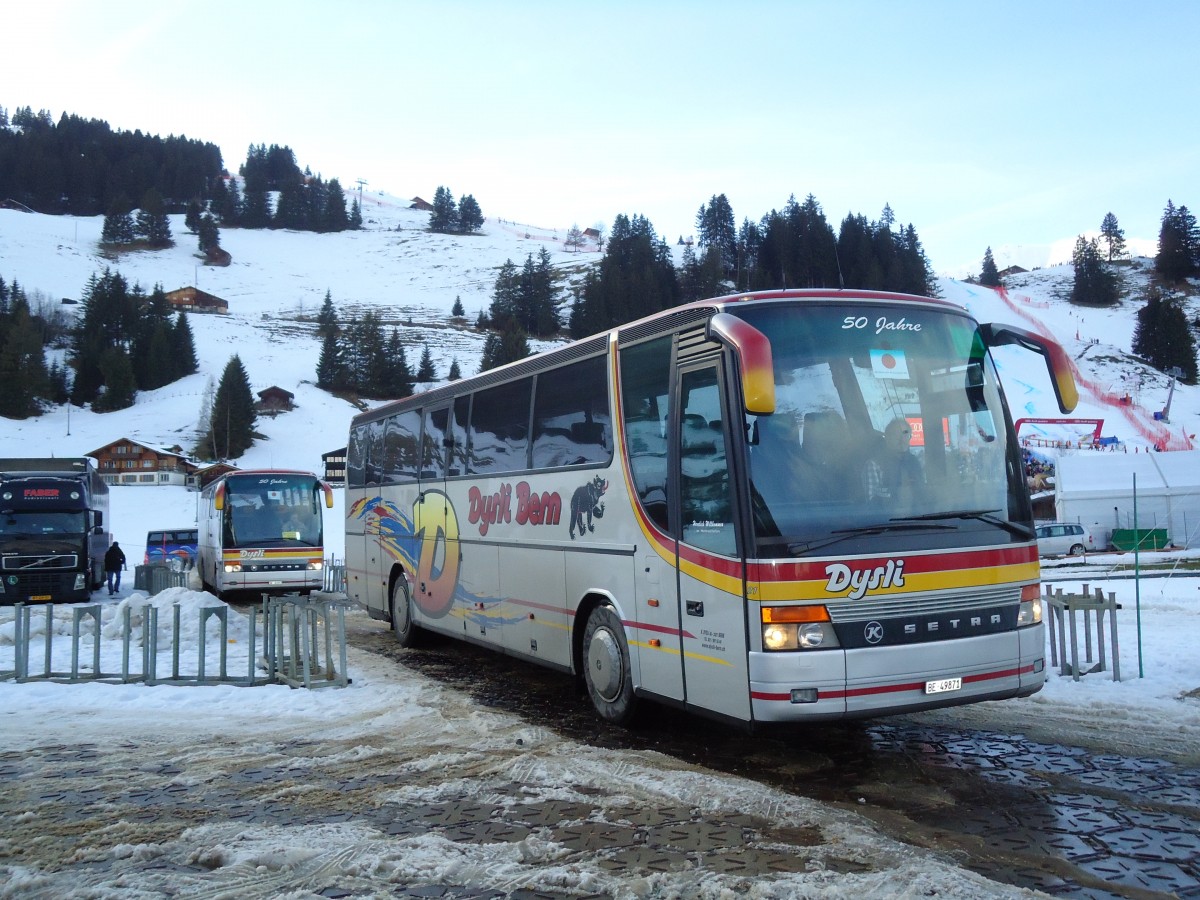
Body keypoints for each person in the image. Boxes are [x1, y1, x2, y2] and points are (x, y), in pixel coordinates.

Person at [863, 418, 922, 510]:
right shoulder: (874, 465)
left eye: (905, 434)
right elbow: (871, 505)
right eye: (896, 435)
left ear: (910, 437)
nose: (902, 439)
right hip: (886, 521)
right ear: (887, 438)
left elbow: (922, 494)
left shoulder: (915, 462)